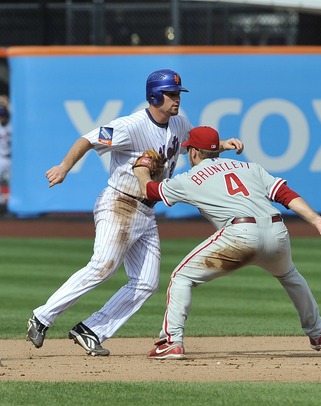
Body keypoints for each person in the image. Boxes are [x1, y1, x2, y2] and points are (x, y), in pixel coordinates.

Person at [27, 69, 244, 356]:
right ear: (155, 95)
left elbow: (193, 147)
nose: (177, 98)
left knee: (146, 283)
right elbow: (88, 140)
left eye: (178, 93)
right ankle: (41, 318)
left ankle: (91, 330)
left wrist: (222, 144)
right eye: (171, 94)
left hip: (147, 211)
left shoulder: (180, 124)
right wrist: (65, 167)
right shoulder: (130, 125)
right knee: (102, 266)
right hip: (119, 202)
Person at [132, 126, 321, 360]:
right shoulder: (249, 167)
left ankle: (172, 342)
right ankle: (317, 332)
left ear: (193, 153)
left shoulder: (189, 178)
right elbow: (283, 193)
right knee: (290, 275)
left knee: (182, 277)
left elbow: (150, 192)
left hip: (240, 234)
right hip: (277, 231)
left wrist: (141, 170)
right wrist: (317, 220)